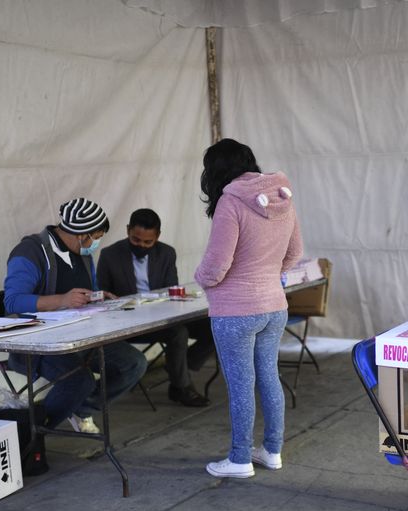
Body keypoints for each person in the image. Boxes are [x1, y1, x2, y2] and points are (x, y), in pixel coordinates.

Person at [195, 138, 303, 478]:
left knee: (241, 384)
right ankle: (272, 451)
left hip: (235, 311)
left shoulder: (230, 202)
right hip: (274, 305)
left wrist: (201, 278)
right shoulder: (282, 198)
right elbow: (295, 253)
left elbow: (216, 265)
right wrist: (272, 273)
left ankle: (240, 458)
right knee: (269, 378)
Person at [3, 197, 147, 433]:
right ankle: (31, 433)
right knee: (79, 380)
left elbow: (84, 290)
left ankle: (81, 409)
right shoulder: (30, 252)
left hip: (82, 334)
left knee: (133, 364)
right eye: (97, 237)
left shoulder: (82, 253)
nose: (96, 244)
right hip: (39, 342)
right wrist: (61, 300)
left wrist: (97, 296)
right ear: (83, 235)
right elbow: (13, 301)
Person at [97, 208, 212, 407]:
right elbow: (102, 296)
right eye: (135, 240)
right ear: (127, 231)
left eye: (147, 242)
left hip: (162, 317)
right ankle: (181, 386)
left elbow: (171, 289)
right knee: (179, 333)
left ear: (157, 236)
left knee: (219, 324)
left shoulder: (167, 253)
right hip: (129, 322)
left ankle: (178, 367)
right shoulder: (110, 255)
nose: (141, 245)